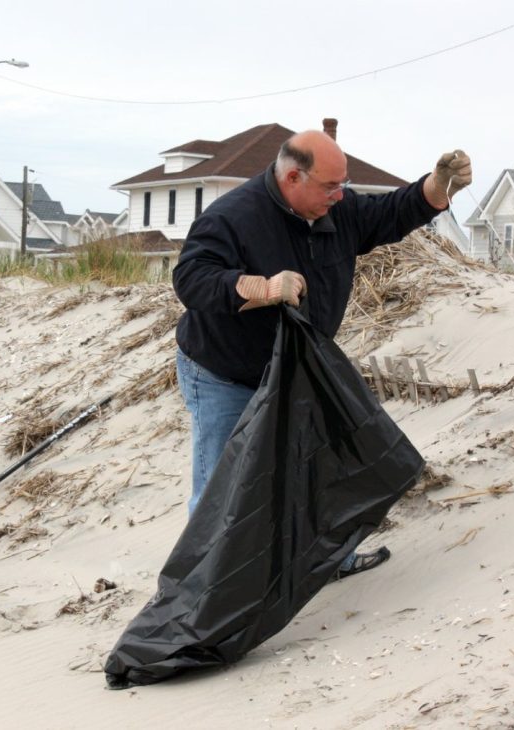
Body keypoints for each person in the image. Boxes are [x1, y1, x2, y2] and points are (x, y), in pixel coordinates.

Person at [172, 129, 471, 578]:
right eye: (331, 186)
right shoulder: (233, 216)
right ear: (293, 177)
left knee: (313, 469)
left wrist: (436, 186)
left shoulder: (338, 210)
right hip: (223, 372)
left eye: (343, 184)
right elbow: (191, 278)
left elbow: (391, 212)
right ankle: (203, 591)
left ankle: (328, 560)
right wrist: (262, 287)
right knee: (223, 486)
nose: (340, 195)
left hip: (295, 369)